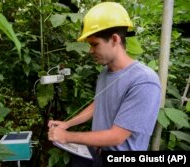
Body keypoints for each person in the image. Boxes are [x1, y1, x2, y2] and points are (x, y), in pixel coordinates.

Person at [48, 2, 161, 166]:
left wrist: (67, 136)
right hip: (96, 153)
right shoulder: (105, 73)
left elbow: (117, 136)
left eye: (94, 44)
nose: (90, 50)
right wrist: (67, 124)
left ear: (114, 39)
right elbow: (98, 104)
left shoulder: (144, 81)